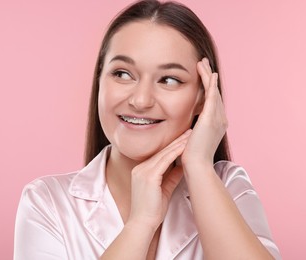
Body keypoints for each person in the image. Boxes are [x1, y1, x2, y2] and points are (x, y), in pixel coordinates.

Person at [14, 0, 281, 259]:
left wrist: (198, 166)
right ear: (100, 80)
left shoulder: (229, 187)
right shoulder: (47, 201)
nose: (140, 100)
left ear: (204, 98)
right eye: (122, 74)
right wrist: (140, 224)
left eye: (169, 79)